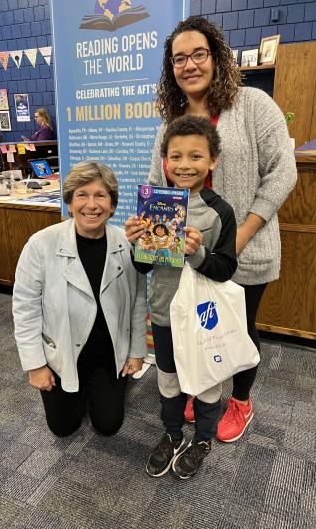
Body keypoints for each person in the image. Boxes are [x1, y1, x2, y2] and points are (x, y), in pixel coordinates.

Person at [148, 16, 297, 443]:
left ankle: (241, 402)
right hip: (188, 254)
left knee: (238, 328)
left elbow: (283, 173)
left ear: (217, 57)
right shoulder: (169, 121)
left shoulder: (252, 105)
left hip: (245, 247)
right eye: (179, 58)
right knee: (198, 325)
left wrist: (240, 236)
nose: (189, 64)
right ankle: (204, 389)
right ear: (171, 68)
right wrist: (154, 237)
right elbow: (159, 183)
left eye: (199, 54)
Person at [125, 115, 237, 480]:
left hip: (204, 316)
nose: (184, 165)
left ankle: (203, 439)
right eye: (175, 157)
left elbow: (226, 269)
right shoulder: (154, 205)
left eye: (195, 156)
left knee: (206, 381)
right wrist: (137, 244)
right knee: (168, 379)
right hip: (164, 313)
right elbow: (144, 268)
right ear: (165, 161)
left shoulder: (220, 211)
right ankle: (173, 434)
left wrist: (198, 252)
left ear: (212, 161)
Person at [12, 161, 147, 438]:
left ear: (112, 204)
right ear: (70, 203)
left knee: (108, 425)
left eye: (101, 195)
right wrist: (36, 365)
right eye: (82, 195)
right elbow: (25, 308)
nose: (91, 204)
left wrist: (136, 352)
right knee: (63, 427)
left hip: (107, 354)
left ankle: (101, 389)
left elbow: (137, 302)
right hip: (61, 353)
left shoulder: (126, 243)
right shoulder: (40, 244)